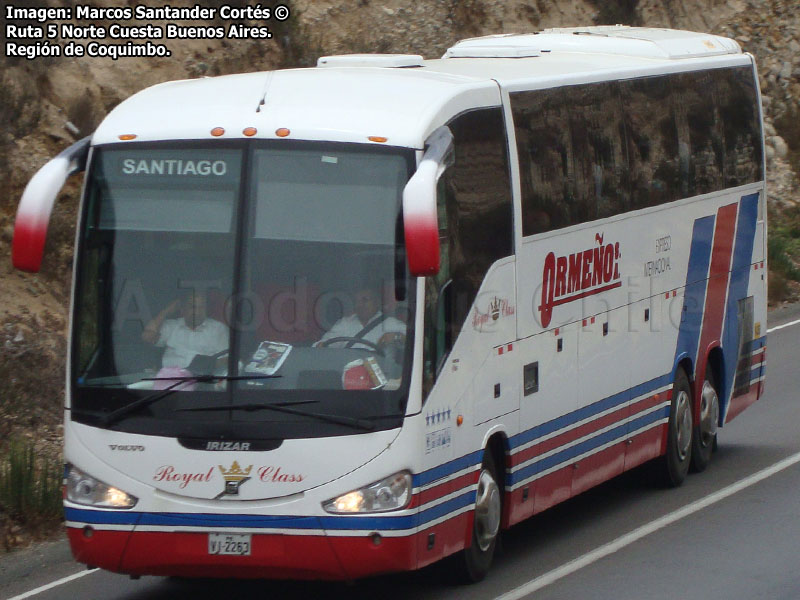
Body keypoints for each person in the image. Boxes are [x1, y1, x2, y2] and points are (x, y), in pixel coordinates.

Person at [141, 291, 228, 369]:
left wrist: (206, 366)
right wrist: (166, 311)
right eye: (192, 307)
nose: (197, 312)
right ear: (183, 309)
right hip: (169, 382)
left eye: (201, 307)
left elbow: (226, 360)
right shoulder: (172, 326)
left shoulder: (218, 329)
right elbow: (147, 337)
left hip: (203, 382)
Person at [316, 287, 405, 350]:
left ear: (377, 302)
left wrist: (397, 337)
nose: (359, 305)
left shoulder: (391, 323)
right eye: (356, 301)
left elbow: (415, 341)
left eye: (365, 300)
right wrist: (321, 345)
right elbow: (323, 345)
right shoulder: (345, 323)